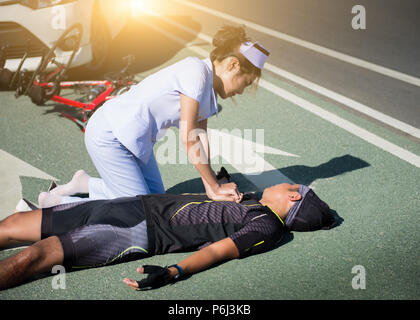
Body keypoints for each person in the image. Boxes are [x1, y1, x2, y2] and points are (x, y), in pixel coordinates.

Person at [37, 25, 270, 208]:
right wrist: (214, 187)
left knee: (156, 200)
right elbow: (189, 138)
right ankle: (57, 204)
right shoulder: (196, 72)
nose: (240, 91)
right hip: (110, 136)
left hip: (135, 143)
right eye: (245, 83)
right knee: (137, 209)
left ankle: (85, 183)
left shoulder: (209, 92)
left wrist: (211, 186)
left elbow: (200, 138)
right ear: (232, 65)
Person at [0, 179, 336, 291]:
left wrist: (175, 272)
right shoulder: (249, 199)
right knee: (12, 225)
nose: (280, 183)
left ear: (293, 196)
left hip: (133, 231)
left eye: (289, 185)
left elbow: (220, 251)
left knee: (32, 257)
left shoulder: (268, 226)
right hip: (127, 205)